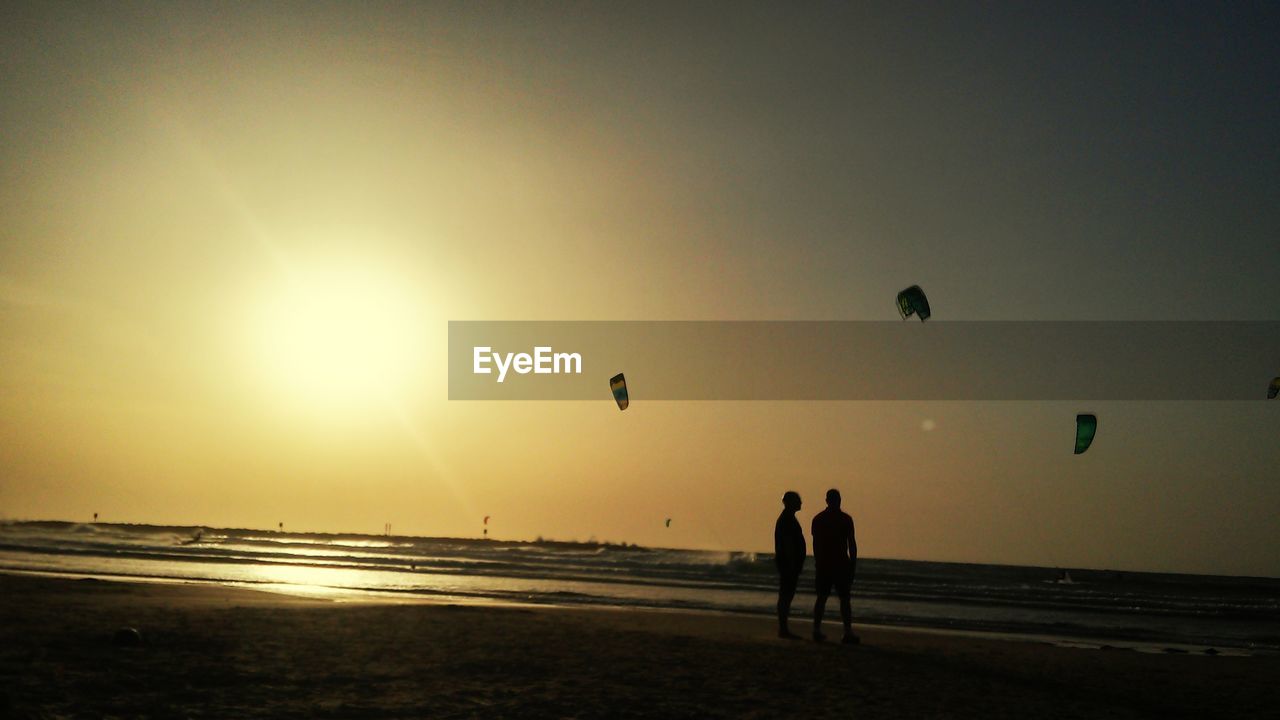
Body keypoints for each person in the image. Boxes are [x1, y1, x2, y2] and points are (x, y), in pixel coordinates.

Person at [812, 488, 858, 644]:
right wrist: (853, 564)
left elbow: (851, 543)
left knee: (828, 598)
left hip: (832, 564)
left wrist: (852, 563)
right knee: (838, 598)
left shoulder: (820, 519)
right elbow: (851, 543)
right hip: (836, 564)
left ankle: (821, 629)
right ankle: (844, 631)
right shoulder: (843, 519)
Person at [773, 491, 806, 639]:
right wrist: (792, 563)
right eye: (798, 500)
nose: (800, 503)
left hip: (788, 563)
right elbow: (788, 544)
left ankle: (783, 628)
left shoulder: (788, 518)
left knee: (787, 594)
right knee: (786, 595)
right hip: (788, 563)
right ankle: (783, 628)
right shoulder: (786, 519)